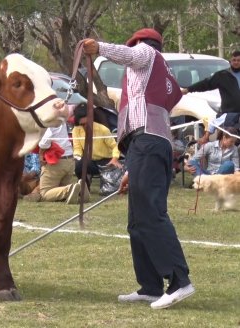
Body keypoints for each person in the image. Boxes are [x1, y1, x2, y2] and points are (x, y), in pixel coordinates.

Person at [83, 28, 195, 309]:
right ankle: (151, 285)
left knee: (151, 215)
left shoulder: (146, 52)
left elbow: (130, 54)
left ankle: (179, 281)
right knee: (137, 220)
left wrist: (99, 48)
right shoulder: (162, 74)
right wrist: (131, 170)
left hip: (148, 141)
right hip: (144, 144)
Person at [182, 50, 240, 145]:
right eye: (234, 60)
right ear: (230, 61)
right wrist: (188, 89)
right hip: (229, 115)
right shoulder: (222, 76)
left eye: (239, 60)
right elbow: (205, 84)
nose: (236, 62)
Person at [37, 121, 89, 204]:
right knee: (61, 190)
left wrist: (40, 154)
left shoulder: (51, 121)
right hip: (69, 160)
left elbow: (45, 142)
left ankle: (70, 189)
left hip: (56, 161)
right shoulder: (61, 120)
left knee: (45, 193)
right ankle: (79, 192)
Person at [71, 106, 122, 188]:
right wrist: (77, 157)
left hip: (106, 161)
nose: (85, 126)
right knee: (79, 166)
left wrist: (115, 159)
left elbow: (115, 146)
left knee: (107, 190)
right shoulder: (76, 130)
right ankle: (84, 188)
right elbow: (77, 149)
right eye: (82, 124)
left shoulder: (103, 129)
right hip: (91, 161)